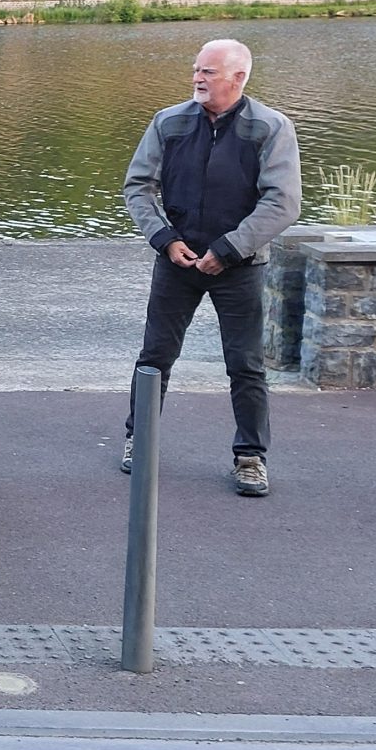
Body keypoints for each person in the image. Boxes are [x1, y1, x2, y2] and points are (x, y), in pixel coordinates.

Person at [121, 39, 303, 496]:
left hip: (239, 266)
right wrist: (164, 239)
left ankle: (250, 458)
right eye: (196, 70)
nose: (197, 79)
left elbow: (283, 202)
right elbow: (138, 187)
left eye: (208, 72)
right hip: (177, 260)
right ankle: (138, 441)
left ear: (238, 78)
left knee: (246, 365)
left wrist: (229, 248)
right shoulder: (169, 122)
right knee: (155, 358)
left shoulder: (270, 128)